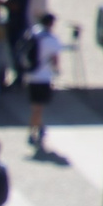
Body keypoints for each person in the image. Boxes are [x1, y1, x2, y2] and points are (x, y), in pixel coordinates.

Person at [24, 14, 62, 153]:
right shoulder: (52, 40)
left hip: (31, 75)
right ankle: (35, 130)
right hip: (44, 77)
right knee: (38, 108)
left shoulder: (32, 33)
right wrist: (57, 71)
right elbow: (55, 59)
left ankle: (38, 127)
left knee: (35, 107)